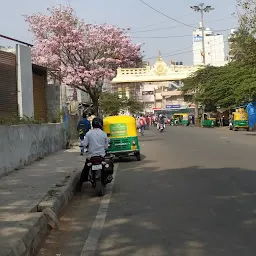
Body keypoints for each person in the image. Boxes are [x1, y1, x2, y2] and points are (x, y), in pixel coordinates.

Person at [78, 118, 109, 191]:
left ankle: (80, 185)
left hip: (91, 156)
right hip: (101, 156)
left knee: (85, 170)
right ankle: (106, 178)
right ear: (101, 124)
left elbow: (84, 144)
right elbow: (106, 146)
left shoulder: (89, 133)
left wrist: (82, 144)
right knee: (107, 165)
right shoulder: (103, 134)